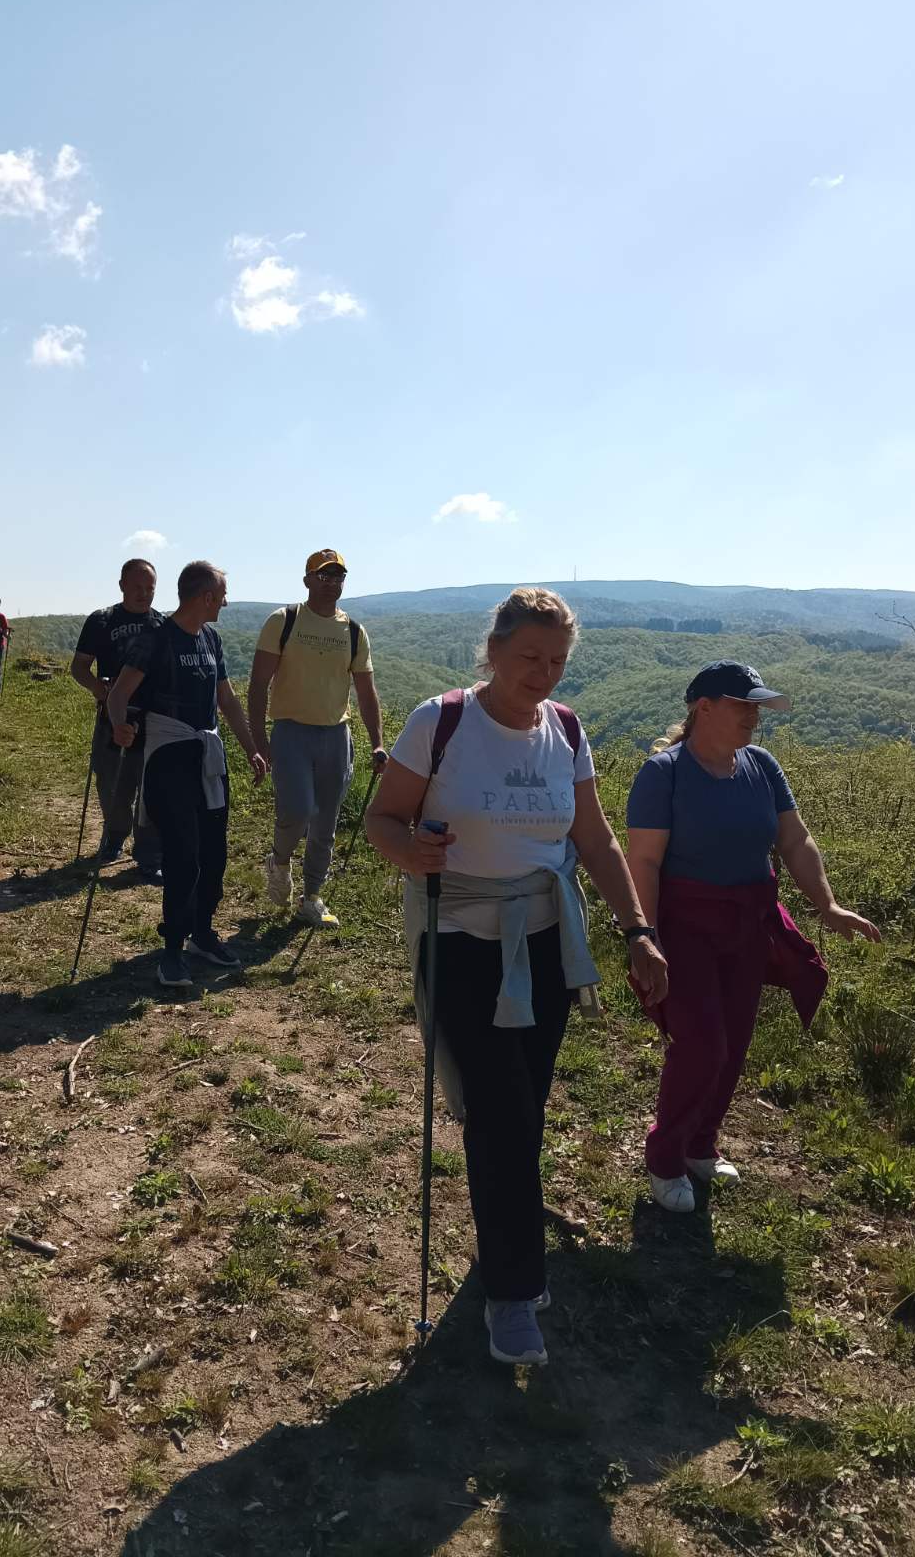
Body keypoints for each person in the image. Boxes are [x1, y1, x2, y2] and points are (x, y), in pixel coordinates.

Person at [366, 588, 667, 1367]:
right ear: (493, 650)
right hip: (460, 940)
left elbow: (595, 841)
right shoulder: (440, 722)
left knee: (522, 1107)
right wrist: (409, 851)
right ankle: (512, 1291)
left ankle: (501, 1242)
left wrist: (636, 930)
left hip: (543, 943)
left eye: (557, 660)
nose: (543, 672)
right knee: (501, 1113)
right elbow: (381, 818)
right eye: (529, 655)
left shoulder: (565, 729)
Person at [625, 660, 881, 1214]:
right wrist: (645, 935)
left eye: (757, 707)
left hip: (747, 923)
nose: (754, 717)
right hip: (685, 925)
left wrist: (828, 906)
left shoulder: (761, 766)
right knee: (702, 1044)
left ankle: (700, 1144)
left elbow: (796, 841)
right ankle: (665, 1156)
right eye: (744, 706)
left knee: (735, 1041)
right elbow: (642, 861)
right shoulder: (664, 774)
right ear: (704, 708)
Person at [107, 561, 268, 988]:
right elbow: (119, 693)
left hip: (206, 758)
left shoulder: (211, 638)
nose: (226, 603)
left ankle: (202, 932)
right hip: (170, 756)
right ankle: (173, 950)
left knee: (214, 852)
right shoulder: (156, 637)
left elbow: (226, 700)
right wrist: (120, 726)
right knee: (183, 854)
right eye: (222, 596)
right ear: (206, 597)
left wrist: (251, 748)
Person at [248, 549, 387, 930]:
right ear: (307, 580)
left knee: (325, 822)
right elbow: (258, 684)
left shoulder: (354, 632)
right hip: (291, 732)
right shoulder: (284, 620)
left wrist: (377, 741)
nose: (331, 583)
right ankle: (279, 861)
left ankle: (311, 897)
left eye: (338, 576)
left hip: (336, 735)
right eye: (324, 576)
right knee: (296, 811)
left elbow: (366, 692)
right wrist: (258, 739)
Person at [71, 559, 164, 881]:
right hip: (112, 716)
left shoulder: (162, 625)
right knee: (112, 784)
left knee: (151, 788)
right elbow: (79, 667)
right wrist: (99, 689)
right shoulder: (102, 620)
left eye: (150, 588)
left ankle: (149, 853)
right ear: (122, 585)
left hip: (152, 719)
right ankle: (114, 836)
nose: (144, 594)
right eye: (137, 587)